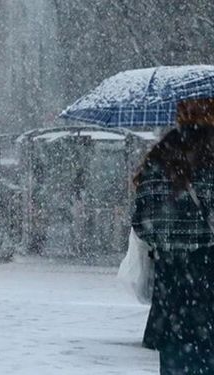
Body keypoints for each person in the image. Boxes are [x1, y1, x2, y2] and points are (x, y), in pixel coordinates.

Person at [132, 98, 214, 374]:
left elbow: (141, 224)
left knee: (176, 357)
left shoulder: (158, 160)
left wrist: (167, 240)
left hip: (171, 281)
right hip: (208, 276)